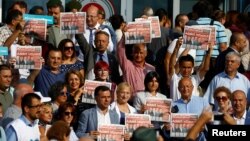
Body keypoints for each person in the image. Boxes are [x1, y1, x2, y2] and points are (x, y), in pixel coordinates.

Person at [168, 37, 213, 101]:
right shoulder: (174, 79)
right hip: (177, 110)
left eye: (189, 67)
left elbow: (205, 69)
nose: (186, 70)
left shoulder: (195, 79)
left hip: (192, 110)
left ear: (192, 67)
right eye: (184, 67)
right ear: (179, 66)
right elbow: (171, 66)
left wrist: (208, 53)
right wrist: (176, 48)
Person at [117, 35, 155, 99]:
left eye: (141, 53)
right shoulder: (127, 65)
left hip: (146, 100)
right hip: (130, 100)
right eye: (136, 53)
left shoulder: (151, 68)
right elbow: (120, 50)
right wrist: (124, 36)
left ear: (146, 54)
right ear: (132, 53)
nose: (138, 55)